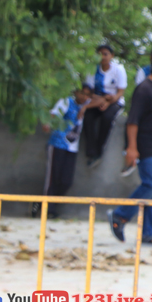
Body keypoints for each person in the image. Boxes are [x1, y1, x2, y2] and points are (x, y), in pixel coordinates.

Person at [109, 46, 152, 246]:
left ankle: (148, 233)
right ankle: (120, 215)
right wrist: (132, 148)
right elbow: (132, 121)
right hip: (147, 145)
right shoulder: (144, 89)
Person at [36, 85, 91, 219]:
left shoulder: (87, 105)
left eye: (87, 95)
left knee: (66, 181)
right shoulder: (67, 102)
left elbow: (101, 100)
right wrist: (48, 123)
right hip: (58, 144)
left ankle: (43, 204)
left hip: (72, 148)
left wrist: (85, 108)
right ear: (76, 92)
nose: (84, 97)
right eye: (82, 93)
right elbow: (54, 115)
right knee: (53, 178)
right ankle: (49, 209)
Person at [83, 44, 129, 167]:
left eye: (105, 54)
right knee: (88, 117)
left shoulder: (118, 69)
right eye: (100, 54)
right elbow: (89, 92)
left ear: (111, 56)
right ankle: (91, 151)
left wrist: (108, 102)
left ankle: (99, 150)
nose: (102, 57)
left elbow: (120, 92)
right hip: (97, 99)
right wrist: (101, 100)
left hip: (114, 101)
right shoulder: (93, 69)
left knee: (107, 117)